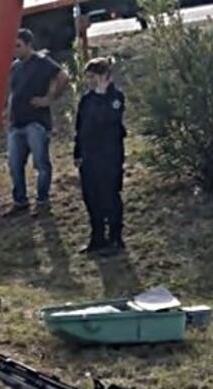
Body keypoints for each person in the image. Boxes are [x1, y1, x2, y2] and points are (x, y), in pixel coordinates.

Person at [7, 29, 69, 214]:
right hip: (16, 123)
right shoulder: (15, 66)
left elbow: (63, 77)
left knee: (41, 163)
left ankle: (42, 200)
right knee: (14, 165)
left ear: (29, 45)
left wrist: (49, 99)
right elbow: (13, 93)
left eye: (18, 46)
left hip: (36, 122)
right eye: (13, 46)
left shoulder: (42, 62)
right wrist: (7, 113)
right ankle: (20, 201)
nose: (15, 50)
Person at [74, 57, 127, 255]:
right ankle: (97, 238)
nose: (90, 81)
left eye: (94, 76)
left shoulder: (115, 98)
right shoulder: (86, 100)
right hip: (89, 156)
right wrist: (78, 151)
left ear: (105, 76)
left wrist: (103, 93)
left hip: (110, 155)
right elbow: (81, 127)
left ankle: (115, 238)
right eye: (88, 77)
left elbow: (108, 120)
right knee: (91, 197)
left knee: (109, 195)